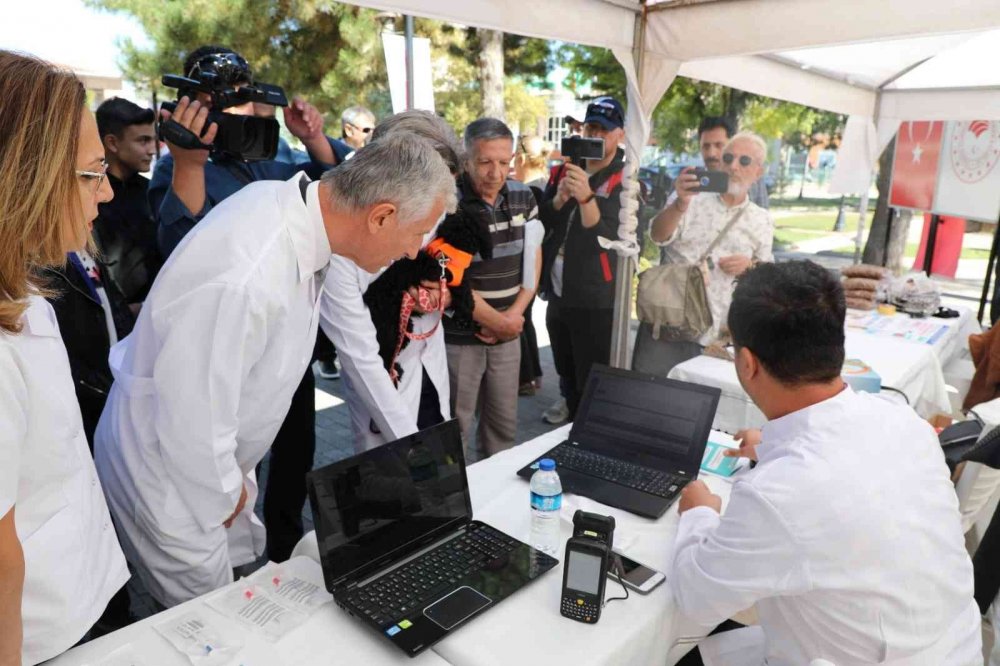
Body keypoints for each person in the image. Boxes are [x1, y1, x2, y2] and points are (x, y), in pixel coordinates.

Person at [94, 134, 456, 608]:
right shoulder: (246, 275)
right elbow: (191, 416)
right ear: (382, 215)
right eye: (417, 234)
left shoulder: (294, 209)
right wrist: (226, 490)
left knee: (234, 590)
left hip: (208, 460)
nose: (414, 253)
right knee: (209, 627)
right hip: (172, 477)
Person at [671, 261, 982, 666]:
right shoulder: (904, 421)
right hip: (950, 647)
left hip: (853, 656)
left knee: (674, 648)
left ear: (747, 363)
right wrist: (770, 446)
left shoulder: (778, 495)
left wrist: (700, 513)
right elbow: (842, 469)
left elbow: (695, 597)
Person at [149, 45, 344, 563]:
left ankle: (283, 546)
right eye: (219, 102)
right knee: (230, 458)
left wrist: (315, 139)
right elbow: (182, 252)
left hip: (286, 341)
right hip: (229, 348)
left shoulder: (272, 163)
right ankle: (228, 552)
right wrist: (188, 161)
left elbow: (331, 194)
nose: (233, 115)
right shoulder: (176, 169)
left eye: (243, 101)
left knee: (297, 448)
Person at [0, 51, 129, 665]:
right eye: (92, 171)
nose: (106, 191)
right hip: (43, 638)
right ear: (24, 175)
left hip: (83, 597)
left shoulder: (25, 294)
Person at [321, 110, 460, 452]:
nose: (415, 249)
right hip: (383, 371)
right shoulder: (336, 250)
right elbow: (361, 358)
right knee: (392, 471)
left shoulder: (429, 203)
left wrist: (444, 295)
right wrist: (410, 451)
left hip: (428, 354)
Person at [637, 131, 774, 376]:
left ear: (758, 172)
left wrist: (750, 266)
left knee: (696, 407)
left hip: (717, 338)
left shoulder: (761, 220)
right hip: (668, 324)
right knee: (649, 397)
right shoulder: (691, 199)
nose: (733, 166)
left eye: (744, 161)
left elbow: (767, 275)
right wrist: (679, 203)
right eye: (728, 158)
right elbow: (657, 236)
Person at [446, 118, 543, 458]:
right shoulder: (448, 201)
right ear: (467, 159)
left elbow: (532, 260)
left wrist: (513, 316)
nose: (495, 172)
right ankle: (453, 504)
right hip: (460, 337)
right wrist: (494, 321)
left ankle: (494, 500)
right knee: (454, 425)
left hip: (509, 331)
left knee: (503, 425)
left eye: (504, 162)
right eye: (485, 162)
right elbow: (450, 278)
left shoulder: (523, 196)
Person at [538, 96, 626, 422]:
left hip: (595, 295)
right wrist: (561, 198)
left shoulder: (625, 179)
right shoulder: (565, 167)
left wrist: (587, 196)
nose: (597, 135)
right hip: (558, 291)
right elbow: (542, 220)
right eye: (591, 127)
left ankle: (587, 427)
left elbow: (607, 241)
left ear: (621, 135)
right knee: (564, 364)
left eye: (604, 129)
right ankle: (569, 405)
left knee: (592, 376)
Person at [91, 97, 163, 311]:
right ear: (112, 143)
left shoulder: (151, 191)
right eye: (142, 141)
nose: (152, 149)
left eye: (153, 139)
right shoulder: (89, 197)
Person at [512, 134, 549, 397]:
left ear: (521, 157)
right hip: (537, 264)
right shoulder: (547, 183)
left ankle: (526, 377)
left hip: (529, 264)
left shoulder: (531, 190)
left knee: (520, 319)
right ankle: (533, 373)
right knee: (526, 320)